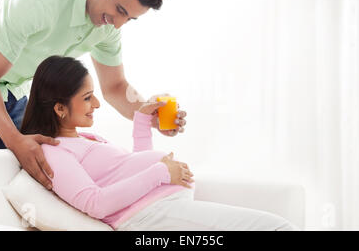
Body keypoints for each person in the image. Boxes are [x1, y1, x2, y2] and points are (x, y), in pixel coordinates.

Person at [0, 0, 187, 191]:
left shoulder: (108, 25)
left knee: (16, 183)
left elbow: (115, 87)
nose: (118, 25)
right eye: (119, 10)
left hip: (15, 88)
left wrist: (147, 112)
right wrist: (14, 140)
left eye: (129, 18)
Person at [20, 55, 298, 231]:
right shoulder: (54, 152)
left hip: (165, 209)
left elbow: (133, 167)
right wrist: (162, 173)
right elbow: (95, 203)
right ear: (59, 108)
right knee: (277, 228)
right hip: (149, 219)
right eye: (87, 97)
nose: (97, 103)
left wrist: (142, 122)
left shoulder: (84, 138)